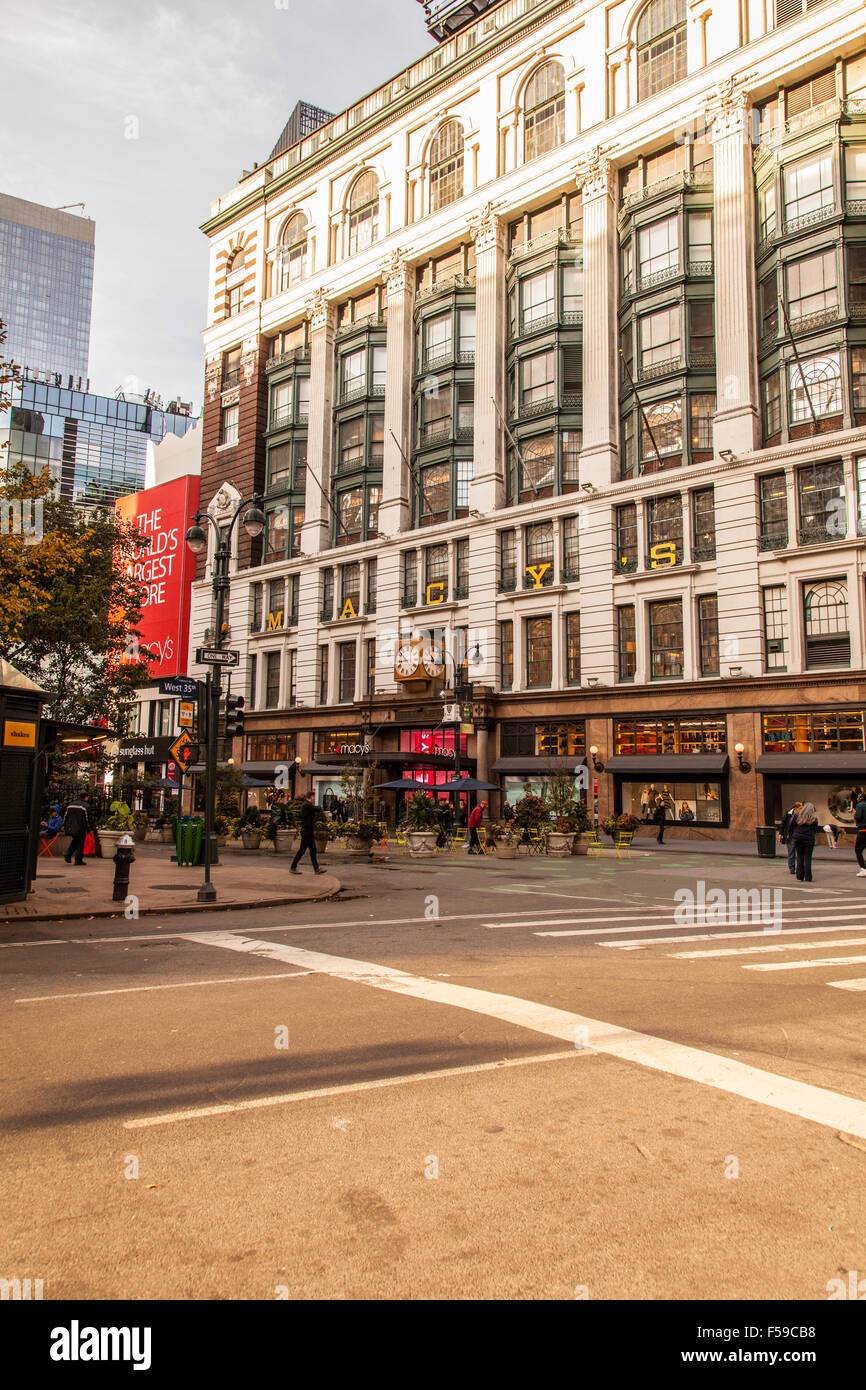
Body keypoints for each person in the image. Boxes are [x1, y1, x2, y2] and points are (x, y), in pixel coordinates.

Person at [290, 792, 326, 875]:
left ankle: (316, 869)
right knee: (302, 850)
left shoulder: (307, 805)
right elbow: (318, 809)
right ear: (311, 797)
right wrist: (323, 804)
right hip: (306, 831)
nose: (314, 799)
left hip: (308, 831)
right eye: (314, 797)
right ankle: (293, 867)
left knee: (313, 850)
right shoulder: (307, 805)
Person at [790, 802, 819, 882]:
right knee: (807, 857)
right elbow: (815, 829)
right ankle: (808, 876)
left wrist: (795, 834)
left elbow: (792, 826)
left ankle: (800, 875)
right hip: (809, 838)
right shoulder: (814, 819)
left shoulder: (796, 816)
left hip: (798, 838)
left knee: (799, 856)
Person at [63, 795, 94, 866]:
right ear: (85, 797)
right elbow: (88, 819)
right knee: (80, 842)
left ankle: (68, 854)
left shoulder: (70, 805)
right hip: (81, 827)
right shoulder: (86, 806)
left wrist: (64, 825)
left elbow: (65, 816)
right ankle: (78, 859)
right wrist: (90, 829)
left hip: (71, 826)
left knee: (75, 840)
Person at [779, 800, 803, 875]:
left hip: (798, 835)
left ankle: (799, 868)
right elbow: (783, 823)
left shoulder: (801, 815)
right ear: (796, 808)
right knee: (791, 852)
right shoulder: (788, 814)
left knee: (799, 852)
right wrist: (781, 833)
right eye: (800, 808)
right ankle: (792, 868)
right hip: (790, 835)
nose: (801, 810)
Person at [854, 793, 866, 877]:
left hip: (863, 830)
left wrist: (854, 815)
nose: (857, 798)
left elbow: (858, 816)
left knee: (858, 849)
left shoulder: (859, 805)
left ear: (861, 798)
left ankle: (863, 868)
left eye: (858, 797)